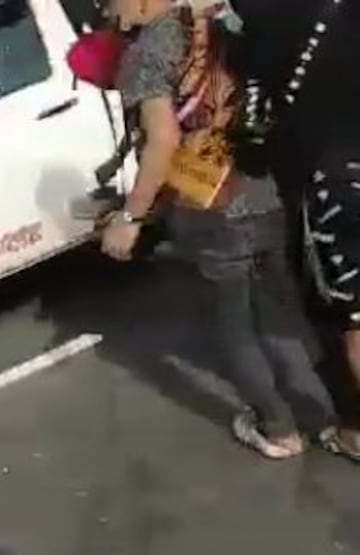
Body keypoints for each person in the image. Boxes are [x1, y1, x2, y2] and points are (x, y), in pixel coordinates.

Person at [99, 0, 359, 459]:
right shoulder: (228, 28)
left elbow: (162, 140)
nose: (103, 13)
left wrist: (130, 218)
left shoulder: (145, 55)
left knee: (236, 326)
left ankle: (279, 429)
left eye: (106, 2)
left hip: (211, 206)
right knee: (304, 317)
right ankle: (350, 423)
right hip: (267, 192)